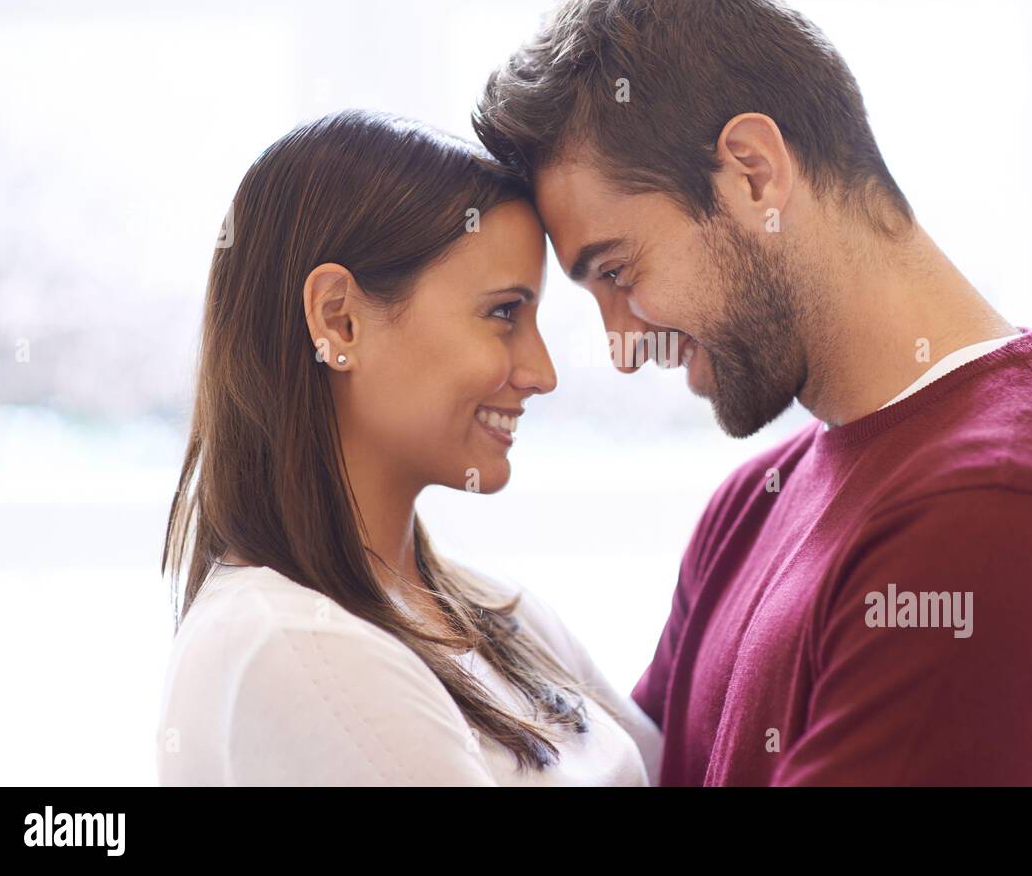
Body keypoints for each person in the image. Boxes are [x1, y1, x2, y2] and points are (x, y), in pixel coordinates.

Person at [473, 0, 1032, 785]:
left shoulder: (1003, 509)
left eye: (621, 272)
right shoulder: (750, 507)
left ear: (752, 172)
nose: (623, 348)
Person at [156, 109, 661, 786]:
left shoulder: (497, 612)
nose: (542, 372)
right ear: (340, 319)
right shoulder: (300, 650)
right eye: (504, 313)